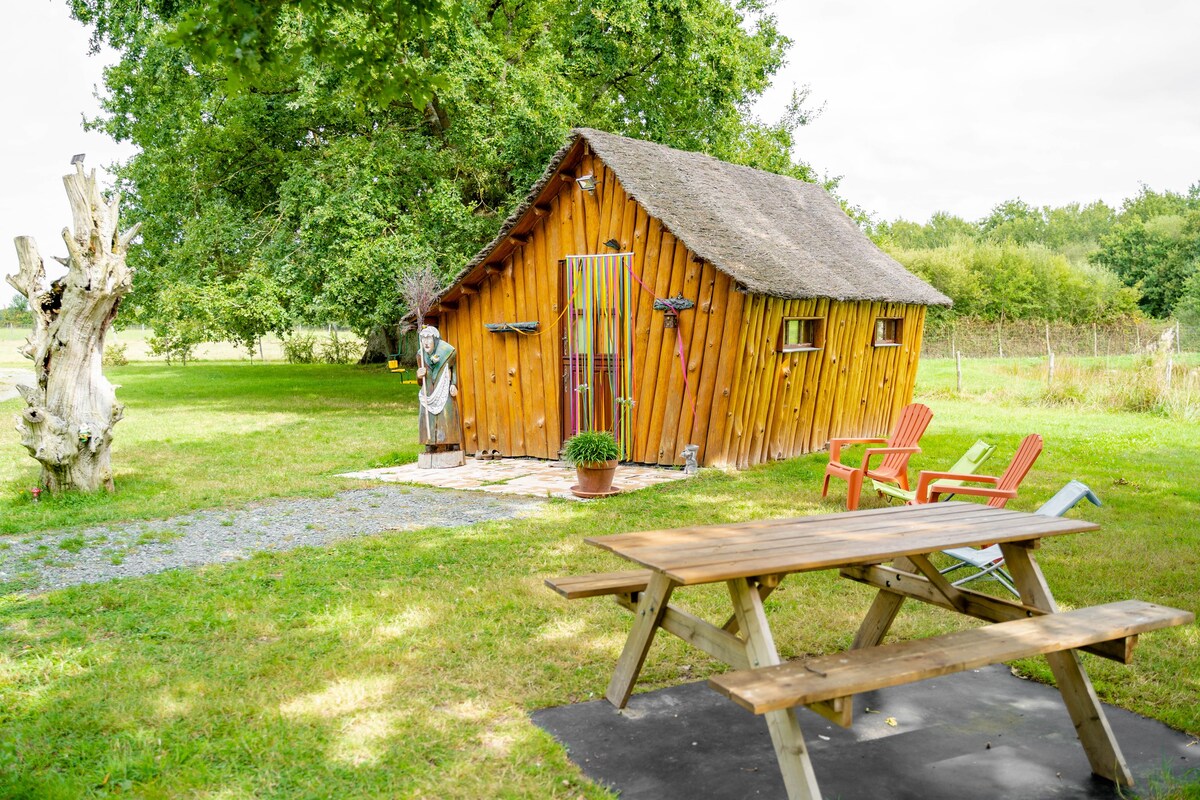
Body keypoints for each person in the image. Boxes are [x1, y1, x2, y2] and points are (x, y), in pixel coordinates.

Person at [416, 325, 461, 450]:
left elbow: (455, 369)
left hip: (444, 388)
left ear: (435, 339)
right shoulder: (420, 354)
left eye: (428, 338)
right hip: (429, 391)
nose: (425, 342)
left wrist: (454, 384)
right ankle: (430, 442)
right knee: (427, 416)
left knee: (448, 413)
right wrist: (419, 375)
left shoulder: (448, 352)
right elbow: (421, 381)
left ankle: (452, 441)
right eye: (423, 339)